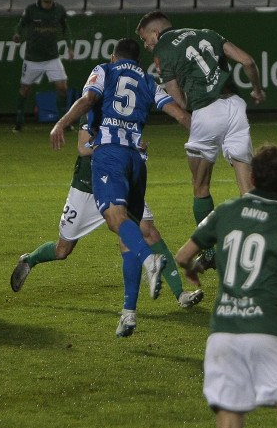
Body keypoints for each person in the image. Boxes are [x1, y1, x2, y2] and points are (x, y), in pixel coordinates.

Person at [174, 144, 277, 428]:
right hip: (268, 328)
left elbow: (183, 255)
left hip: (224, 330)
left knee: (229, 423)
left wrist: (196, 268)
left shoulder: (225, 211)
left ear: (250, 178)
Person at [49, 38, 189, 337]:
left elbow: (88, 100)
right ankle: (128, 314)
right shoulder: (148, 80)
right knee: (129, 237)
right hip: (136, 161)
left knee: (115, 220)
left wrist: (61, 123)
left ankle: (150, 259)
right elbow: (178, 113)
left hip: (110, 155)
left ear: (114, 57)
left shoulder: (105, 70)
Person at [11, 113, 203, 310]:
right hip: (88, 188)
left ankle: (180, 294)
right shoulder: (93, 105)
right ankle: (30, 260)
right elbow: (83, 147)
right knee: (62, 250)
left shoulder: (127, 104)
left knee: (149, 232)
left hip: (119, 183)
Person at [135, 11, 266, 272]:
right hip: (236, 107)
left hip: (206, 113)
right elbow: (248, 61)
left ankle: (209, 253)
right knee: (247, 187)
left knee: (200, 185)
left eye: (145, 39)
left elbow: (180, 101)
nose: (147, 46)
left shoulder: (162, 50)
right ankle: (259, 251)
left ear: (156, 33)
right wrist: (257, 90)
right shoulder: (208, 33)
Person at [12, 0, 74, 133]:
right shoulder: (31, 10)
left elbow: (65, 29)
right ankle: (19, 122)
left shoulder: (59, 10)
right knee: (25, 89)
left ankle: (63, 123)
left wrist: (69, 46)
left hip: (52, 57)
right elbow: (21, 24)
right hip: (32, 58)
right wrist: (17, 33)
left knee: (63, 88)